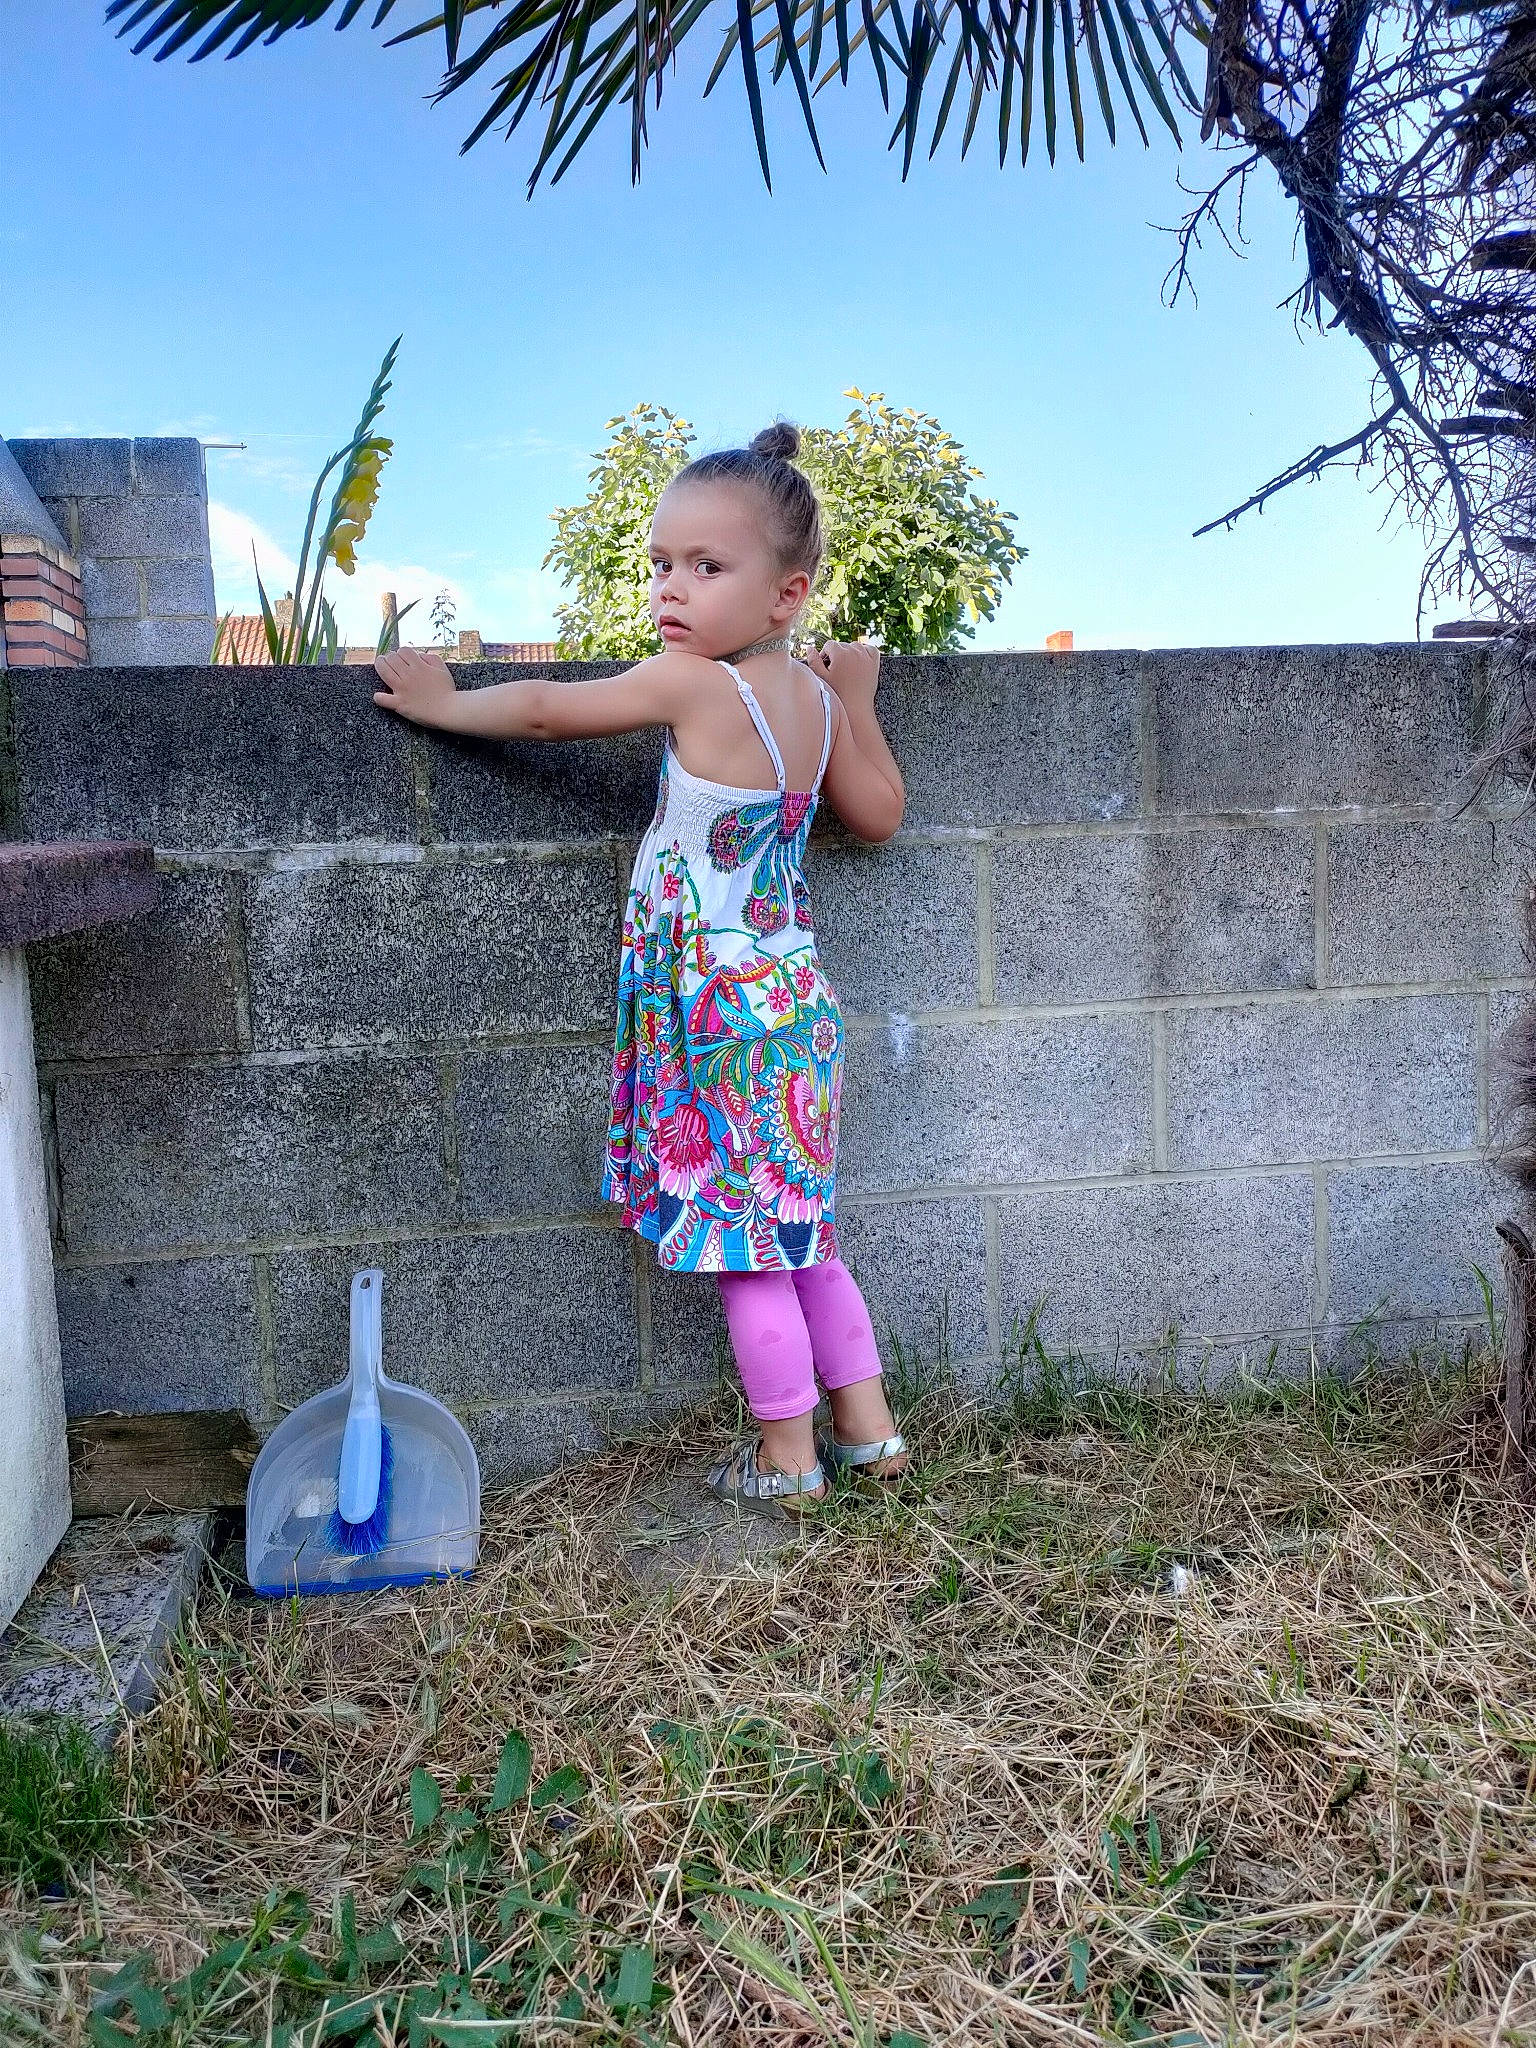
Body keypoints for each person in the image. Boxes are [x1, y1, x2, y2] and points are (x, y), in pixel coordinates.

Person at [373, 421, 908, 1514]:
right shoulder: (806, 699)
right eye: (661, 563)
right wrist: (856, 697)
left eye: (706, 567)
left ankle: (785, 1455)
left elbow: (540, 707)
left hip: (716, 1018)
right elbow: (881, 814)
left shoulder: (692, 685)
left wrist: (437, 701)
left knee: (749, 1251)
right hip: (797, 1005)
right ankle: (871, 1433)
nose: (671, 587)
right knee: (805, 1232)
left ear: (787, 593)